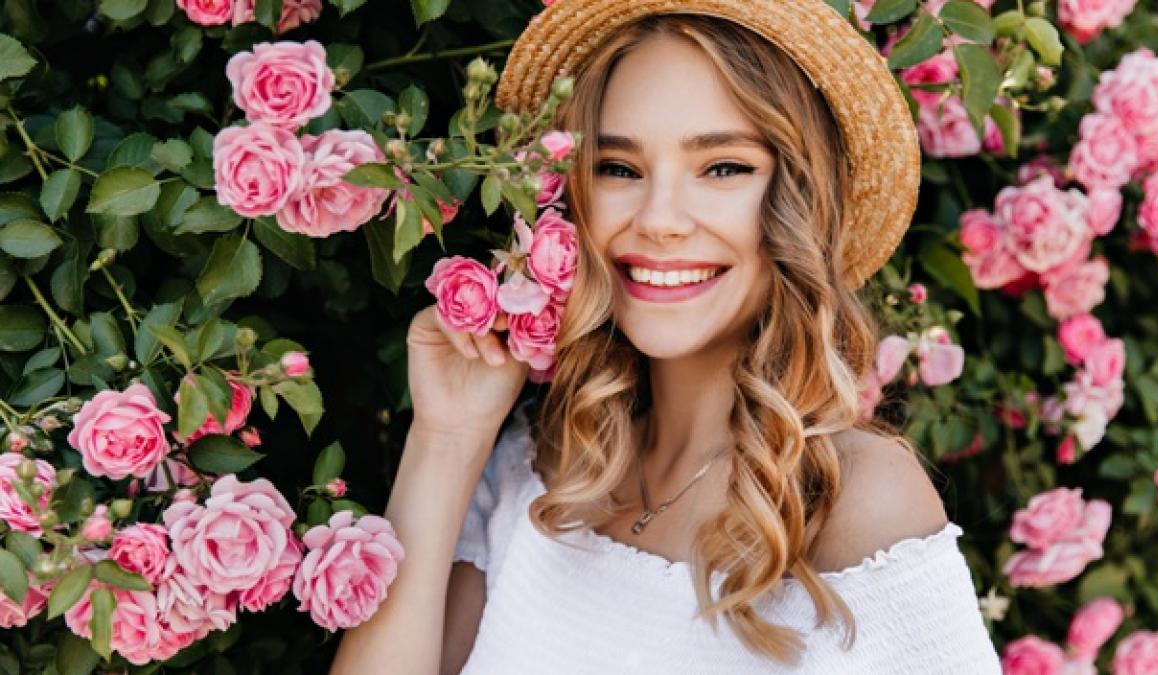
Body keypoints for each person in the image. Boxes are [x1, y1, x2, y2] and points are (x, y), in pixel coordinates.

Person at [332, 1, 1003, 673]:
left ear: (797, 202)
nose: (658, 220)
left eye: (723, 167)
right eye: (619, 168)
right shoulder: (539, 466)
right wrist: (447, 439)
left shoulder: (855, 500)